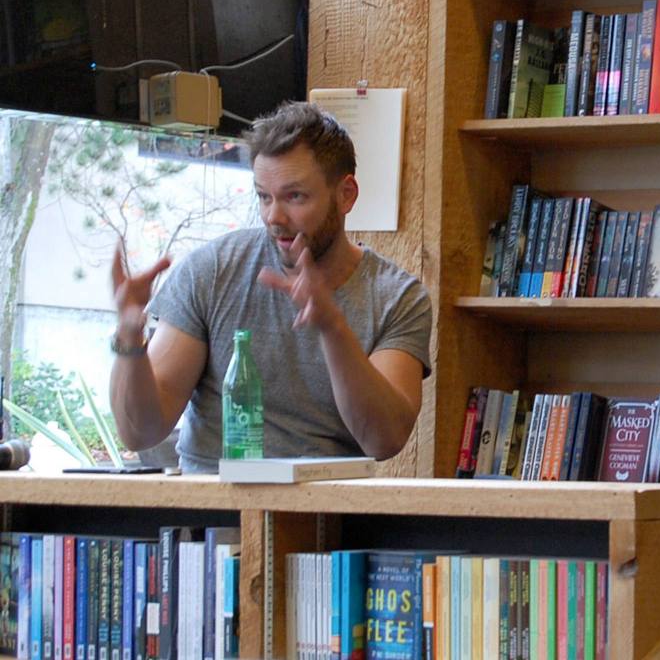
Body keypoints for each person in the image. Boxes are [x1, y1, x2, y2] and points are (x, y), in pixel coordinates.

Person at [108, 102, 432, 473]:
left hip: (325, 503)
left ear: (346, 195)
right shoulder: (212, 270)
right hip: (212, 499)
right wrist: (129, 338)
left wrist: (332, 327)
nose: (274, 216)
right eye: (264, 196)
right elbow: (140, 432)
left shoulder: (397, 297)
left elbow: (385, 440)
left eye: (295, 197)